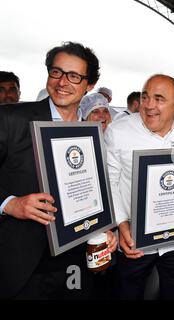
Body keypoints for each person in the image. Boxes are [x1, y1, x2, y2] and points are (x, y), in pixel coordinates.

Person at [0, 41, 117, 299]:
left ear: (89, 85)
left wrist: (106, 229)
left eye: (74, 76)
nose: (63, 82)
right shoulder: (11, 119)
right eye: (57, 72)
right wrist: (9, 204)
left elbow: (94, 192)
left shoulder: (92, 134)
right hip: (23, 264)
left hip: (76, 263)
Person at [104, 74, 174, 300]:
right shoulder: (118, 132)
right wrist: (122, 225)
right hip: (134, 241)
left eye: (159, 99)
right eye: (145, 97)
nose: (149, 105)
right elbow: (110, 182)